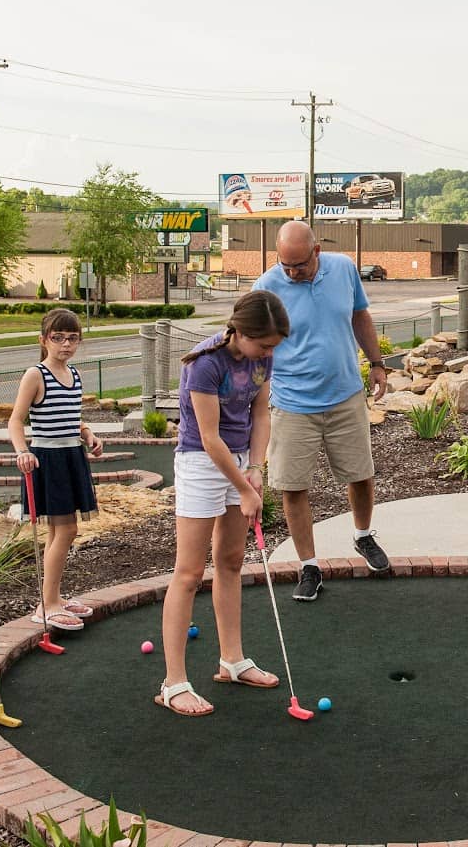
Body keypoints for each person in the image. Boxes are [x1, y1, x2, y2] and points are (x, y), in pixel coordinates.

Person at [156, 291, 290, 716]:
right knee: (189, 572)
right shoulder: (204, 363)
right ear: (240, 332)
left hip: (240, 459)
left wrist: (256, 468)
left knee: (231, 560)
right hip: (200, 461)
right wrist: (246, 488)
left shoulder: (262, 359)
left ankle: (232, 660)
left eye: (273, 346)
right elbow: (209, 437)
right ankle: (174, 682)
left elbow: (261, 415)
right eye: (263, 345)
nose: (268, 353)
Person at [253, 221, 390, 602]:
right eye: (285, 265)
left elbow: (359, 315)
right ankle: (309, 566)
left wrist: (377, 363)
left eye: (299, 265)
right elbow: (251, 344)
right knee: (294, 486)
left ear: (317, 251)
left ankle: (363, 536)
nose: (292, 273)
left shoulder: (343, 268)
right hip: (292, 403)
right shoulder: (266, 286)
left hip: (345, 394)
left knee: (360, 474)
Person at [8, 309, 104, 633]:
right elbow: (15, 420)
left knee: (57, 532)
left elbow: (69, 417)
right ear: (43, 340)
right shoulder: (36, 375)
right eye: (58, 338)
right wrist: (22, 451)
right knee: (67, 531)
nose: (65, 344)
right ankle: (47, 605)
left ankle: (53, 598)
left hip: (71, 455)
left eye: (72, 338)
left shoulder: (73, 374)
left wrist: (87, 433)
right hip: (48, 459)